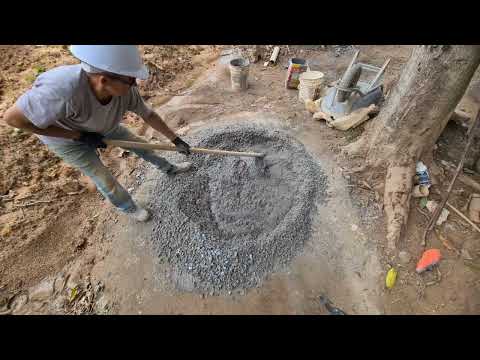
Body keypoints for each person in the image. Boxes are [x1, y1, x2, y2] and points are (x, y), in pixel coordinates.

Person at [2, 45, 192, 222]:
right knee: (102, 177)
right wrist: (78, 136)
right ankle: (128, 207)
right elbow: (12, 119)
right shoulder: (61, 90)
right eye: (130, 79)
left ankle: (169, 168)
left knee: (142, 145)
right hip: (66, 140)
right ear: (104, 80)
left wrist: (175, 139)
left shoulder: (125, 90)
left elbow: (148, 114)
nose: (135, 84)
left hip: (102, 126)